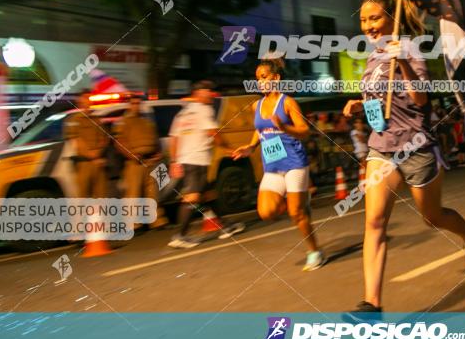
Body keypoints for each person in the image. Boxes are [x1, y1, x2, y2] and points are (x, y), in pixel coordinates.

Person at [343, 0, 465, 315]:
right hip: (381, 149)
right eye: (364, 20)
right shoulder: (373, 56)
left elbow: (420, 100)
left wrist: (403, 61)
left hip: (416, 147)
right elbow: (381, 101)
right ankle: (372, 305)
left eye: (375, 18)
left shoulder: (409, 49)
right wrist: (359, 104)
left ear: (391, 18)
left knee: (432, 218)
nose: (368, 26)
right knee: (374, 223)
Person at [232, 59, 326, 271]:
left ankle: (315, 252)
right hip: (273, 164)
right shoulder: (257, 105)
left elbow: (304, 130)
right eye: (257, 79)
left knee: (296, 214)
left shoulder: (288, 103)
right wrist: (251, 147)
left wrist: (284, 127)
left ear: (276, 78)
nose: (259, 82)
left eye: (263, 77)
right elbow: (260, 129)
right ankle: (298, 202)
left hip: (294, 162)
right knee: (266, 212)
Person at [167, 80, 239, 248]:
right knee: (192, 198)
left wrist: (174, 160)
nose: (212, 95)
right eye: (209, 91)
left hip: (187, 160)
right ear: (198, 93)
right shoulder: (204, 110)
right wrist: (227, 148)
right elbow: (213, 132)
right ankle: (179, 236)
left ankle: (226, 226)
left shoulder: (182, 114)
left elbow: (174, 138)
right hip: (197, 160)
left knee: (209, 194)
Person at [114, 94, 167, 228]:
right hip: (134, 163)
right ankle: (133, 223)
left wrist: (158, 154)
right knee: (134, 193)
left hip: (150, 162)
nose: (136, 106)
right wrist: (132, 155)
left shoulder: (146, 122)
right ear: (129, 105)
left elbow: (155, 140)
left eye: (138, 103)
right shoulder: (124, 122)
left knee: (152, 192)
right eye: (133, 103)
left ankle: (156, 219)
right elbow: (119, 142)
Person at [64, 91, 109, 198]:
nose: (88, 103)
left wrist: (98, 153)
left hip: (98, 163)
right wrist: (92, 155)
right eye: (85, 100)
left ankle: (100, 215)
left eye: (89, 100)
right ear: (80, 103)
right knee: (83, 197)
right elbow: (75, 141)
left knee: (101, 196)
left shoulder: (97, 119)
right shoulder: (73, 120)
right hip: (83, 164)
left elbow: (104, 138)